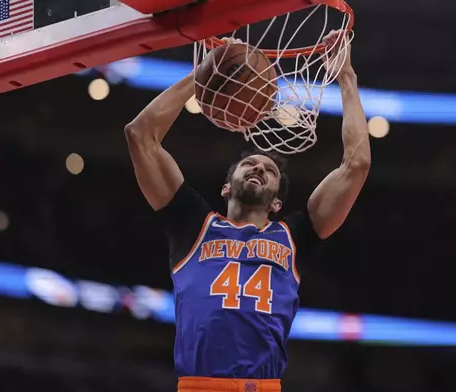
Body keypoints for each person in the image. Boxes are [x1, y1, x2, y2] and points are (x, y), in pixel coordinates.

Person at [124, 31, 370, 392]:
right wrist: (210, 71)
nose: (258, 168)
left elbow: (357, 163)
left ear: (276, 203)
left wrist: (346, 78)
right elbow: (140, 135)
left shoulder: (295, 235)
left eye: (269, 170)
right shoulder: (192, 224)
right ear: (226, 188)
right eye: (250, 164)